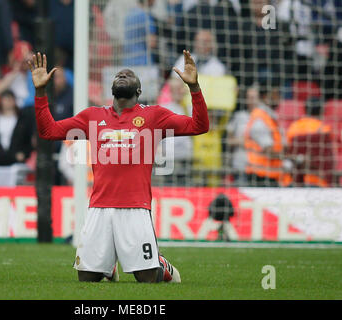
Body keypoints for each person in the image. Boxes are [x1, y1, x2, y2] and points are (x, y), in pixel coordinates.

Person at [29, 50, 209, 283]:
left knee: (147, 280)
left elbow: (199, 126)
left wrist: (194, 88)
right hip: (99, 207)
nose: (123, 75)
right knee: (87, 279)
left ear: (139, 90)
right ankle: (108, 267)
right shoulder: (92, 116)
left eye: (129, 75)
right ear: (111, 89)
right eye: (119, 75)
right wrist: (41, 91)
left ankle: (160, 264)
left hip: (136, 207)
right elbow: (48, 131)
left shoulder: (154, 116)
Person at [243, 77, 291, 187]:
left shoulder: (270, 117)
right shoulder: (260, 119)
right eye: (276, 93)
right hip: (261, 177)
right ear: (266, 96)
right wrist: (290, 159)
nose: (279, 97)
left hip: (270, 175)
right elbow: (269, 150)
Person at [286, 97, 334, 187]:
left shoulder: (294, 126)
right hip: (317, 179)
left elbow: (288, 151)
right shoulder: (323, 129)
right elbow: (327, 158)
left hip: (295, 179)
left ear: (305, 109)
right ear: (321, 111)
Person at [0, 90, 33, 166]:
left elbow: (28, 140)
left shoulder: (23, 120)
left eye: (10, 99)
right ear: (1, 101)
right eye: (5, 99)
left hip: (15, 161)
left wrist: (24, 154)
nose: (8, 102)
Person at [226, 86, 258, 185]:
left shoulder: (265, 117)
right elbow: (228, 141)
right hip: (240, 166)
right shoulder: (238, 116)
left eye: (254, 97)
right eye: (249, 97)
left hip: (258, 167)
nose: (251, 100)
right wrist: (244, 142)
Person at [123, 0, 158, 66]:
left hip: (128, 62)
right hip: (144, 63)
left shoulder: (129, 15)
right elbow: (152, 43)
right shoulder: (147, 16)